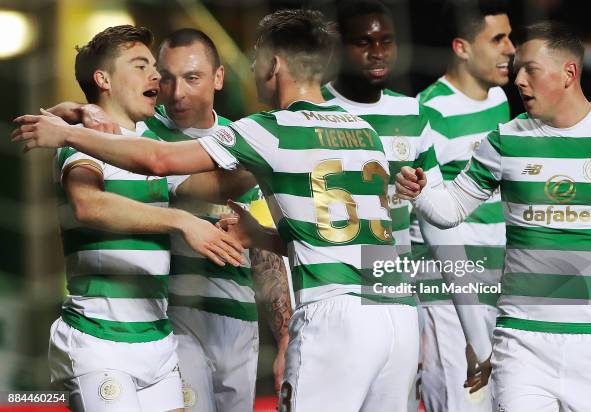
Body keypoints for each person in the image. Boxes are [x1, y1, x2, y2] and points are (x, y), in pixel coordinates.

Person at [14, 9, 420, 412]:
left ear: (273, 65)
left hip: (333, 316)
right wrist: (78, 113)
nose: (165, 84)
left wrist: (67, 130)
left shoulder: (268, 129)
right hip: (397, 312)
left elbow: (157, 160)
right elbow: (324, 232)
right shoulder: (363, 132)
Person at [50, 28, 291, 412]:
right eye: (157, 72)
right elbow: (90, 198)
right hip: (148, 326)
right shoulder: (119, 136)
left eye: (191, 78)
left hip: (201, 330)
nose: (169, 87)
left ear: (218, 78)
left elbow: (257, 243)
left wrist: (284, 338)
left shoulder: (224, 140)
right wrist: (80, 111)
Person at [395, 22, 591, 411]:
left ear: (569, 73)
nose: (519, 80)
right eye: (518, 70)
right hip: (521, 342)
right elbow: (449, 212)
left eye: (530, 69)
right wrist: (420, 188)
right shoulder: (504, 139)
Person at [319, 2, 442, 410]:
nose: (377, 51)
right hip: (330, 299)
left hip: (396, 302)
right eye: (363, 42)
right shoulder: (311, 112)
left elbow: (439, 215)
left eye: (386, 41)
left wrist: (421, 189)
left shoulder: (412, 114)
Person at [413, 1, 514, 410]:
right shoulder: (428, 112)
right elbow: (416, 212)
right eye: (498, 39)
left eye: (511, 36)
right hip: (450, 296)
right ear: (461, 47)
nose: (511, 48)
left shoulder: (500, 100)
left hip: (498, 289)